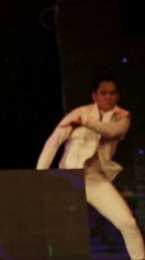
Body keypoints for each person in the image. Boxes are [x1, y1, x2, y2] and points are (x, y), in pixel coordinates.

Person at [36, 73, 145, 260]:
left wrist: (86, 123)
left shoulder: (122, 117)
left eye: (112, 93)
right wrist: (39, 175)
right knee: (55, 228)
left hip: (95, 179)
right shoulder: (79, 112)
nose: (108, 97)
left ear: (117, 96)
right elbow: (54, 141)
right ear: (94, 96)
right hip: (68, 177)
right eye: (103, 93)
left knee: (128, 223)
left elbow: (111, 131)